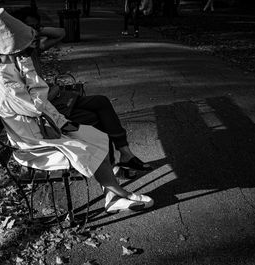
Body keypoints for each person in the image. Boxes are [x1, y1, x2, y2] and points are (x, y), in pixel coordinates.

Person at [0, 8, 154, 213]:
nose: (29, 55)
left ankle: (112, 195)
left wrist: (63, 120)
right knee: (85, 145)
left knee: (96, 135)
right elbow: (37, 106)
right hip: (34, 144)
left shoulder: (10, 70)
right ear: (13, 52)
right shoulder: (1, 82)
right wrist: (29, 69)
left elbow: (41, 104)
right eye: (27, 51)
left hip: (44, 128)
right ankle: (119, 194)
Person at [11, 7, 153, 173]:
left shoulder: (32, 50)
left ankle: (125, 154)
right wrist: (53, 91)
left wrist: (36, 31)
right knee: (94, 117)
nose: (34, 31)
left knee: (101, 102)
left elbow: (61, 33)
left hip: (58, 101)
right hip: (49, 112)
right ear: (18, 29)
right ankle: (112, 167)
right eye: (29, 27)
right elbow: (32, 103)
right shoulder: (15, 61)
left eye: (36, 27)